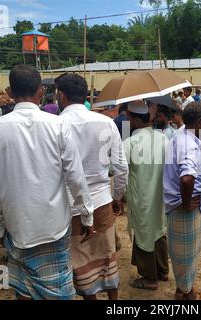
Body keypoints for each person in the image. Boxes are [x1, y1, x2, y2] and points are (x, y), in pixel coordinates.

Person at [0, 65, 94, 300]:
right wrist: (86, 215)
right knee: (59, 288)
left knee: (23, 288)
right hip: (54, 226)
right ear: (41, 91)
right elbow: (75, 176)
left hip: (17, 227)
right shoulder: (58, 125)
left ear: (10, 92)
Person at [56, 73, 128, 300]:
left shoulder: (56, 126)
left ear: (61, 95)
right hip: (101, 201)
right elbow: (121, 167)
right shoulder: (106, 122)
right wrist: (117, 197)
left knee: (81, 262)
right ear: (85, 95)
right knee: (107, 255)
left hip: (70, 206)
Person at [164, 102, 201, 300]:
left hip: (183, 206)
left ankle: (185, 289)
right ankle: (185, 293)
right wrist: (185, 202)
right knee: (185, 256)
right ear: (198, 122)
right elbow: (186, 178)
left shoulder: (183, 134)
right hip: (185, 209)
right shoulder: (188, 145)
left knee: (185, 255)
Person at [123, 100, 169, 291]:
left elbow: (116, 169)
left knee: (143, 235)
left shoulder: (130, 142)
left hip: (141, 199)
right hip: (161, 198)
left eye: (130, 119)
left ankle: (149, 278)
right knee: (159, 229)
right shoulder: (164, 139)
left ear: (135, 120)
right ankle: (163, 270)